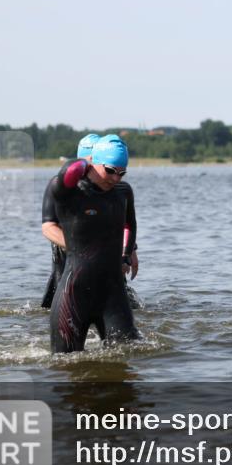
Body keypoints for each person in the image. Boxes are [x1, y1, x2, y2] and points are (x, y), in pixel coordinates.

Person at [47, 135, 140, 352]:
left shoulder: (121, 192)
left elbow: (127, 224)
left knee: (130, 354)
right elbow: (48, 225)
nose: (116, 178)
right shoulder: (69, 192)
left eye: (122, 172)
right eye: (110, 170)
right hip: (73, 282)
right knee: (66, 364)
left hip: (111, 288)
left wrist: (128, 253)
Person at [40, 134, 98, 308]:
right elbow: (49, 228)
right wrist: (78, 247)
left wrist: (129, 251)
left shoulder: (109, 187)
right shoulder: (59, 185)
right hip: (68, 263)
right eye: (94, 160)